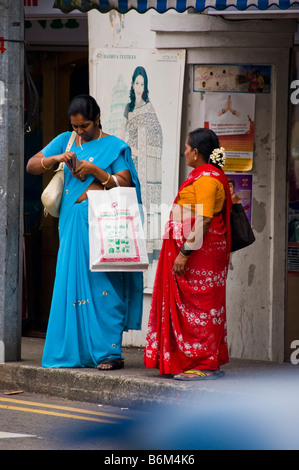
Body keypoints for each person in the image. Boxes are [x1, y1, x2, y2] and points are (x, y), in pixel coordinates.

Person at [26, 94, 143, 370]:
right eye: (76, 126)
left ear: (97, 118)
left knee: (105, 286)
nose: (80, 131)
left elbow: (126, 184)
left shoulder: (114, 146)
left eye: (85, 126)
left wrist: (95, 171)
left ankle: (109, 353)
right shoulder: (67, 140)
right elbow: (32, 164)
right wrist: (57, 157)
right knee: (70, 284)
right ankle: (74, 352)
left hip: (102, 224)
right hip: (71, 223)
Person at [144, 128, 232, 380]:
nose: (184, 152)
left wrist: (183, 252)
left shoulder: (207, 180)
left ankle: (204, 365)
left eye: (186, 148)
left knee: (200, 308)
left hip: (198, 254)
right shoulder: (206, 176)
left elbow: (204, 219)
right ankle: (192, 360)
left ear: (195, 152)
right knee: (192, 309)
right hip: (196, 252)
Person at [120, 66, 163, 289]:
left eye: (142, 84)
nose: (139, 87)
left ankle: (147, 267)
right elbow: (121, 136)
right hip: (132, 167)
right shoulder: (128, 108)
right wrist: (131, 149)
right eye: (136, 83)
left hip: (147, 171)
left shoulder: (149, 109)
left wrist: (142, 151)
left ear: (146, 87)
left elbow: (158, 139)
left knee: (147, 211)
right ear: (132, 84)